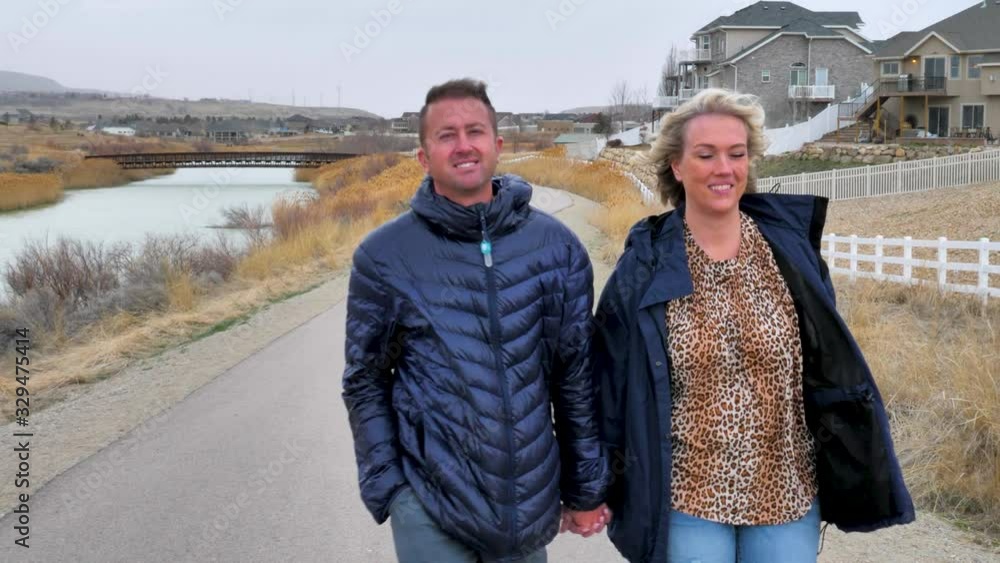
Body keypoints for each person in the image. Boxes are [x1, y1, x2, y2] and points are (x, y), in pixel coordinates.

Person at [592, 88, 915, 563]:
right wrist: (595, 482)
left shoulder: (790, 252)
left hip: (787, 494)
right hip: (688, 497)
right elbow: (608, 382)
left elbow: (829, 363)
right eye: (706, 154)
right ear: (677, 167)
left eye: (736, 153)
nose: (724, 168)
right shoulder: (644, 266)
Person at [342, 78, 611, 563]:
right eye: (446, 135)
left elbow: (574, 374)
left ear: (497, 145)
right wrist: (391, 489)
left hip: (529, 508)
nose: (463, 145)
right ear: (424, 157)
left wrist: (586, 488)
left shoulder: (558, 247)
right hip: (430, 505)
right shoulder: (384, 257)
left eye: (474, 131)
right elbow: (364, 379)